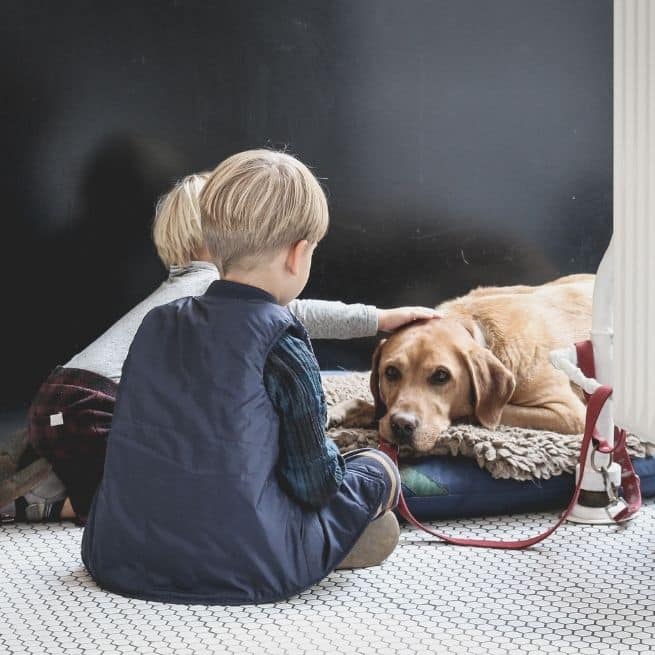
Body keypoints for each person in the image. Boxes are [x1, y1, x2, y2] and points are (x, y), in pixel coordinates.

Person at [81, 149, 433, 604]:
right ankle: (325, 541)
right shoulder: (282, 341)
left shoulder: (157, 323)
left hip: (119, 551)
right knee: (375, 468)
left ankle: (313, 539)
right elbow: (316, 482)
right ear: (298, 254)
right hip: (246, 563)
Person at [4, 167, 435, 526]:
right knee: (137, 498)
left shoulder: (178, 292)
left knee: (112, 465)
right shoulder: (211, 290)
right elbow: (295, 310)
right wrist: (376, 318)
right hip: (92, 405)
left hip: (62, 400)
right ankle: (34, 502)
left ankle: (37, 473)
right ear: (218, 238)